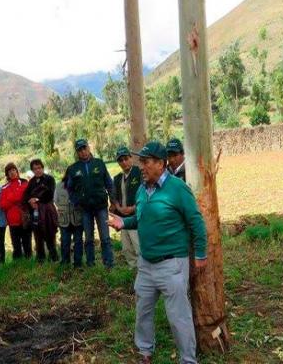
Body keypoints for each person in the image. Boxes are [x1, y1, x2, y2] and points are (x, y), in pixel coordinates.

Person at [108, 141, 207, 364]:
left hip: (171, 264)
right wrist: (123, 223)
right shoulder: (143, 190)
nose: (141, 166)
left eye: (146, 161)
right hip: (146, 264)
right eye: (140, 161)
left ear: (161, 164)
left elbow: (196, 222)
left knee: (178, 317)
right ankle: (145, 352)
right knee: (143, 311)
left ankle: (188, 360)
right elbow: (141, 219)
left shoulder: (177, 188)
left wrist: (200, 255)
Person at [65, 139, 114, 268]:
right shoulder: (73, 169)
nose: (83, 152)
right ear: (77, 152)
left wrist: (113, 201)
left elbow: (109, 183)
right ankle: (91, 263)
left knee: (105, 237)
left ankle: (108, 263)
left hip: (101, 206)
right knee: (88, 238)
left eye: (84, 148)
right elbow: (69, 189)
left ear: (88, 148)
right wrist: (76, 202)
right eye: (80, 150)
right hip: (85, 209)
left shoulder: (99, 163)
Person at [110, 146, 142, 268]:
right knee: (126, 247)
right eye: (120, 160)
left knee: (138, 245)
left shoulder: (139, 173)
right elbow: (113, 196)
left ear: (131, 158)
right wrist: (118, 207)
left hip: (135, 215)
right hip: (122, 217)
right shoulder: (117, 178)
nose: (124, 162)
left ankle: (143, 269)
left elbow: (145, 194)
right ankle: (132, 267)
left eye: (125, 159)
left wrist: (133, 208)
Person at [23, 159, 58, 263]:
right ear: (32, 170)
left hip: (47, 211)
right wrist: (30, 201)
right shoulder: (32, 182)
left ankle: (54, 258)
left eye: (39, 168)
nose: (37, 170)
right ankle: (41, 260)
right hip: (36, 213)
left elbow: (50, 194)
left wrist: (37, 199)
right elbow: (26, 195)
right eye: (35, 169)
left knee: (50, 234)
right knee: (38, 236)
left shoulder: (49, 179)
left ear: (42, 167)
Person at [0, 163, 32, 260]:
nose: (12, 172)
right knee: (16, 246)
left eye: (14, 170)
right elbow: (2, 204)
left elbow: (27, 197)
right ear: (7, 174)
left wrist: (10, 197)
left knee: (27, 244)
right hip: (13, 222)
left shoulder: (25, 182)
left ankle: (29, 263)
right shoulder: (4, 188)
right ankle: (18, 265)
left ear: (17, 171)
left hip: (25, 219)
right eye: (9, 171)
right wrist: (16, 197)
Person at [54, 174, 83, 266]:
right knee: (65, 241)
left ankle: (78, 263)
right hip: (64, 219)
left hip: (77, 218)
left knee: (78, 241)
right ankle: (65, 262)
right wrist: (63, 208)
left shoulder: (79, 185)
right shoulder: (59, 185)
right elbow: (56, 200)